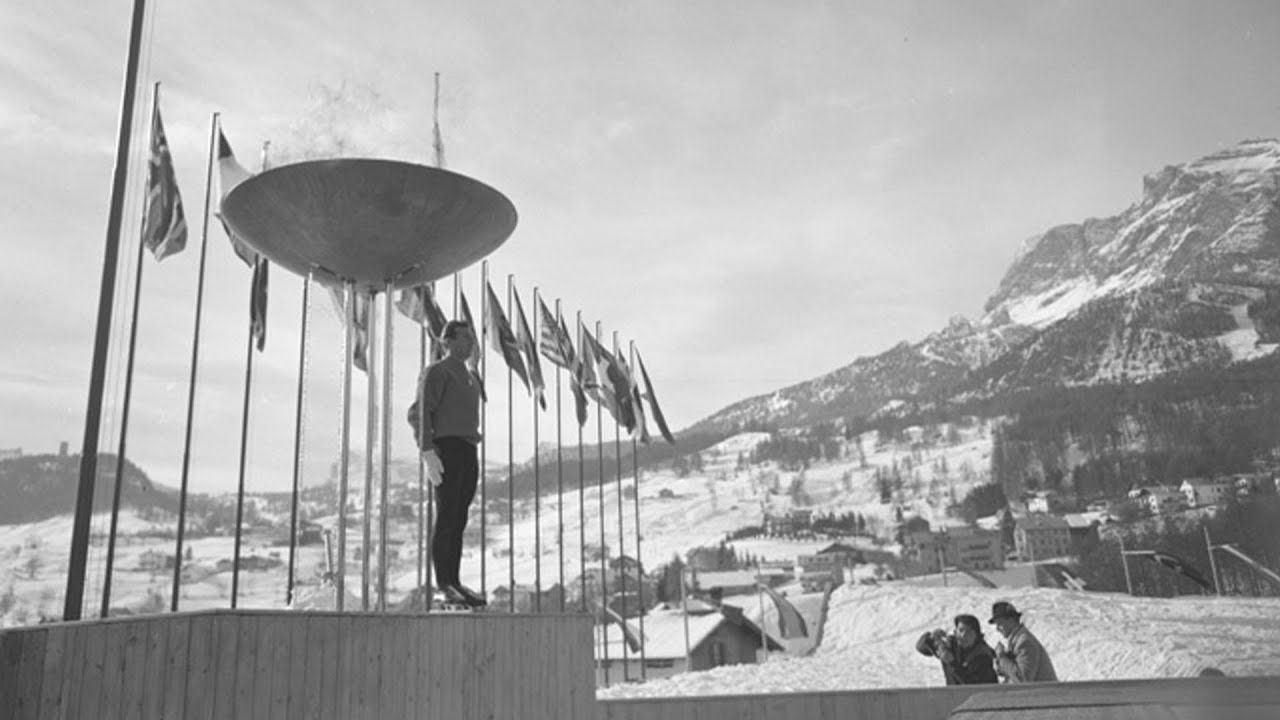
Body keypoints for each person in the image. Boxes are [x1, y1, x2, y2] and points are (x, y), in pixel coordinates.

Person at [408, 320, 485, 608]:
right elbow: (419, 412)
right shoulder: (437, 372)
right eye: (464, 337)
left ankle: (454, 582)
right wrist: (428, 450)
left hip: (468, 449)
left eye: (471, 337)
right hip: (447, 448)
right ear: (447, 342)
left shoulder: (471, 377)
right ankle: (443, 585)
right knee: (447, 517)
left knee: (459, 519)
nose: (470, 342)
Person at [915, 614, 999, 685]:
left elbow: (971, 685)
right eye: (961, 630)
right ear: (955, 632)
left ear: (976, 635)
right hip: (953, 696)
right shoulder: (950, 645)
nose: (963, 635)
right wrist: (931, 638)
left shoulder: (983, 654)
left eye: (969, 632)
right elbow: (921, 647)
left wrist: (952, 663)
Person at [989, 600, 1058, 683]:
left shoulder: (1025, 642)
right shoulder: (1018, 640)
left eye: (1000, 623)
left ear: (1011, 620)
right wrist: (1002, 666)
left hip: (1043, 691)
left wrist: (1002, 657)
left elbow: (1023, 681)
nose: (997, 629)